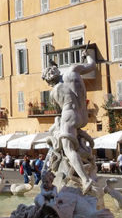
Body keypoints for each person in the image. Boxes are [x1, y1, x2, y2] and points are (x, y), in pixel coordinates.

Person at [41, 52, 98, 193]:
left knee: (68, 148)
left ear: (48, 81)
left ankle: (85, 179)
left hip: (69, 116)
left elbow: (59, 111)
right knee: (71, 140)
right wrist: (87, 55)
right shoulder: (73, 70)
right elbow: (92, 65)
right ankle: (85, 149)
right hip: (83, 116)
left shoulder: (53, 92)